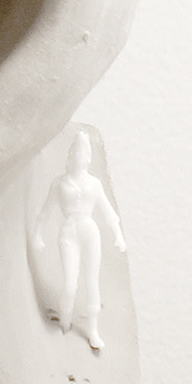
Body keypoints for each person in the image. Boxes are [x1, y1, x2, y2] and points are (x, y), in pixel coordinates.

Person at [32, 130, 126, 351]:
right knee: (70, 284)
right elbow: (45, 211)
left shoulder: (94, 183)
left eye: (82, 153)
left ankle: (93, 330)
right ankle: (65, 321)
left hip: (90, 232)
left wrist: (118, 235)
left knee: (92, 281)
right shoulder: (59, 183)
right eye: (74, 153)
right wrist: (37, 234)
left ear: (88, 158)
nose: (77, 157)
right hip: (69, 233)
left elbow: (108, 211)